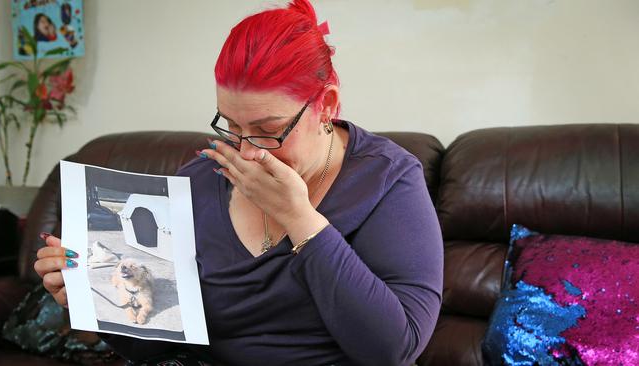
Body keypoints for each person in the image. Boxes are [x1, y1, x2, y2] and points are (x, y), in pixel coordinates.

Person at [34, 1, 443, 365]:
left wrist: (299, 218)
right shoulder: (196, 182)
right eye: (231, 125)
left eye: (269, 130)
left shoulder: (387, 180)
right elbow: (154, 347)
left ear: (328, 105)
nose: (246, 151)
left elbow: (395, 350)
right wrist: (90, 304)